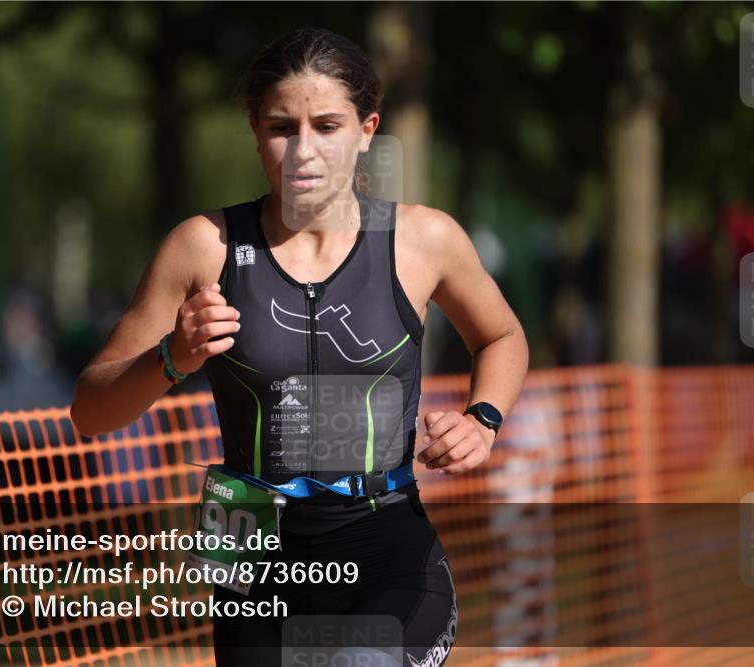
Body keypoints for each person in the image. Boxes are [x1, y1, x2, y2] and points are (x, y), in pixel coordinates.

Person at [71, 26, 528, 667]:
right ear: (255, 130)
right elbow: (90, 412)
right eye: (282, 128)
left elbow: (502, 335)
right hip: (248, 544)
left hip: (382, 536)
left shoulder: (422, 239)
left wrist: (484, 418)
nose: (303, 152)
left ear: (368, 128)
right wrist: (173, 356)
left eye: (328, 126)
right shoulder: (204, 246)